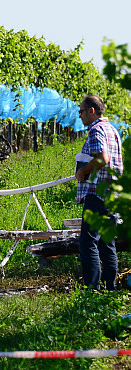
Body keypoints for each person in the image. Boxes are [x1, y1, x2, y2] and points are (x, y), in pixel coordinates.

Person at [75, 95, 123, 290]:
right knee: (107, 243)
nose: (80, 116)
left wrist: (82, 171)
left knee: (88, 242)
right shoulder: (113, 130)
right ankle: (110, 289)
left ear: (91, 111)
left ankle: (92, 291)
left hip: (98, 194)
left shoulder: (96, 130)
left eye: (82, 111)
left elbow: (102, 158)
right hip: (113, 194)